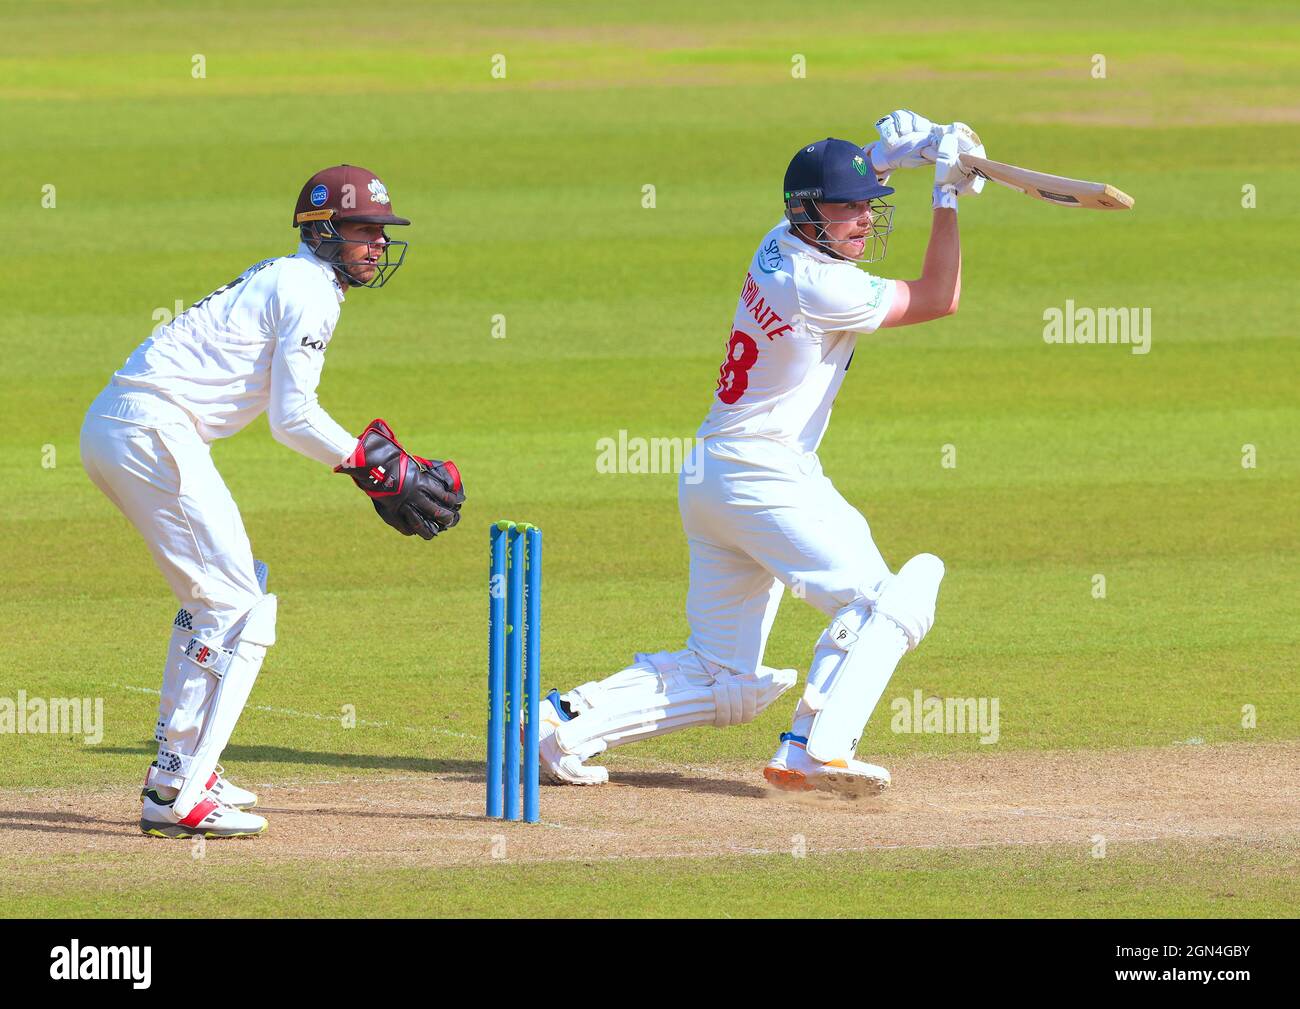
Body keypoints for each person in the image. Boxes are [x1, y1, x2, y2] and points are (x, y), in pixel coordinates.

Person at [536, 111, 984, 796]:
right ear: (809, 216)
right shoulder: (820, 283)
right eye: (849, 210)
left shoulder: (778, 242)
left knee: (724, 677)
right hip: (761, 473)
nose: (864, 219)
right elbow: (939, 296)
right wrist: (946, 193)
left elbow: (834, 183)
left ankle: (557, 726)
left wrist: (897, 155)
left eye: (869, 205)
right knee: (886, 602)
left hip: (718, 474)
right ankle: (815, 748)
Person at [80, 165, 465, 838]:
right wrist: (379, 469)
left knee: (228, 593)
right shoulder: (307, 287)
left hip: (129, 427)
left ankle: (178, 772)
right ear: (321, 231)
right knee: (239, 608)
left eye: (381, 232)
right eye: (361, 230)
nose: (375, 244)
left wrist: (373, 469)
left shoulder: (293, 280)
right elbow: (294, 418)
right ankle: (182, 795)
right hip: (148, 428)